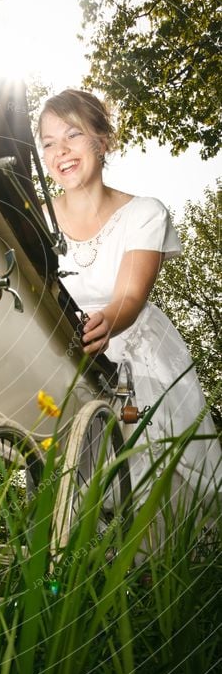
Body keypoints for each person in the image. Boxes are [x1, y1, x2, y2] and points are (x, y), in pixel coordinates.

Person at [38, 88, 220, 500]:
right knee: (68, 482)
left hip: (136, 357)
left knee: (150, 476)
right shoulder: (34, 218)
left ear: (102, 141)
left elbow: (129, 296)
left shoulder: (145, 213)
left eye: (73, 135)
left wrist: (108, 322)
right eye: (48, 143)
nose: (60, 151)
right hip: (59, 352)